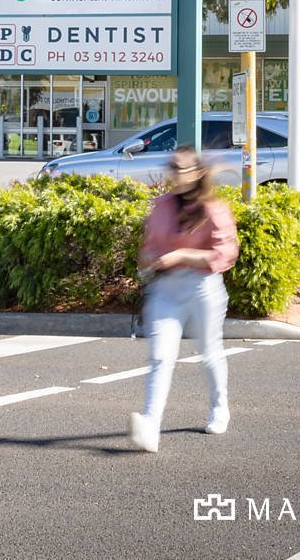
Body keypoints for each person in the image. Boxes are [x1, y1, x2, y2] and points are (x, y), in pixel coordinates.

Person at [128, 145, 239, 453]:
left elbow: (226, 253)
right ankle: (151, 424)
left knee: (209, 351)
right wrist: (149, 257)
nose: (174, 173)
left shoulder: (213, 208)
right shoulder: (162, 204)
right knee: (161, 357)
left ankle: (220, 406)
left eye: (180, 168)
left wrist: (185, 254)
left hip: (202, 285)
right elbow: (150, 245)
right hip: (166, 288)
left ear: (196, 172)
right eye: (171, 167)